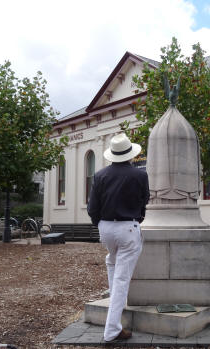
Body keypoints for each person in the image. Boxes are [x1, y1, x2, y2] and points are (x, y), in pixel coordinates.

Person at [87, 133, 149, 342]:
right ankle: (112, 330)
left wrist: (100, 224)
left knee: (112, 262)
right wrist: (137, 219)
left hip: (106, 228)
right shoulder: (140, 175)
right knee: (122, 279)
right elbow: (144, 201)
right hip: (127, 228)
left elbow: (92, 207)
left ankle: (115, 302)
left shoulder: (100, 175)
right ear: (130, 154)